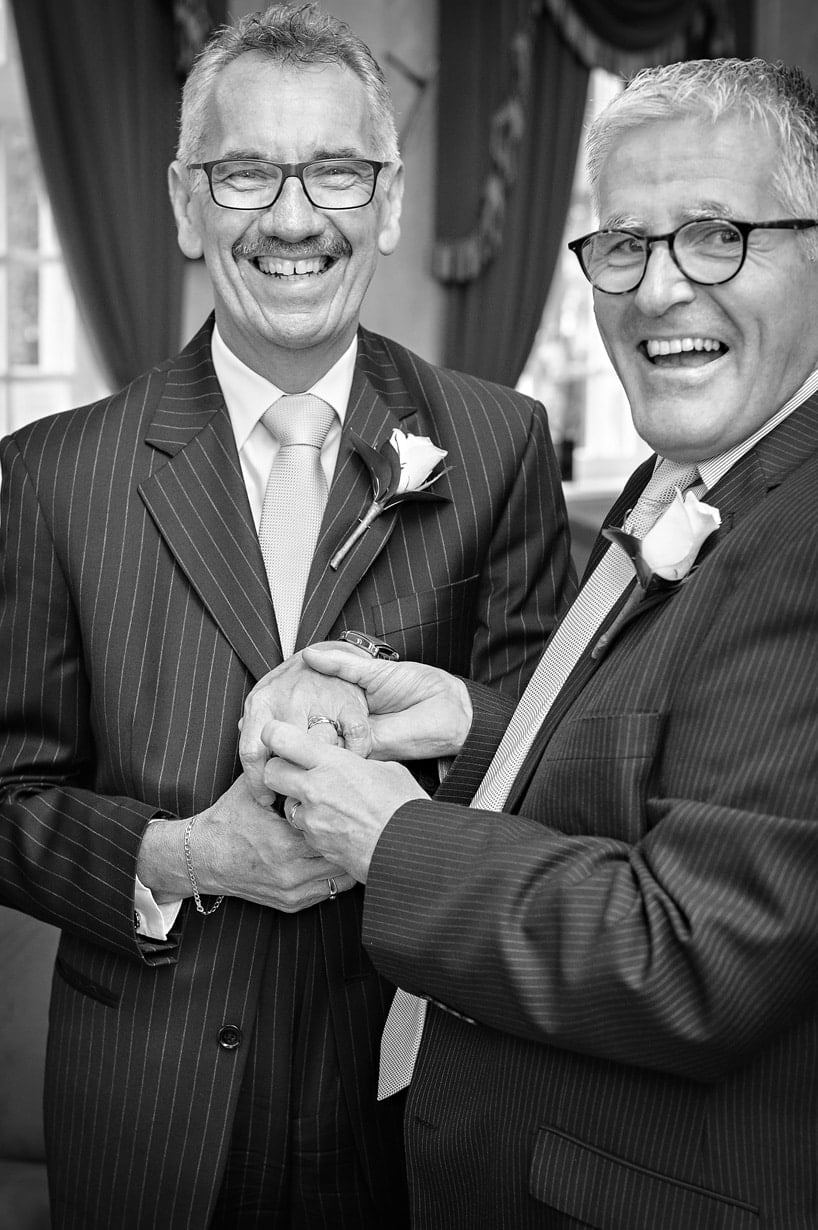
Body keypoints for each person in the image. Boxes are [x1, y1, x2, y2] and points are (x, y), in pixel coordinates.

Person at [0, 5, 575, 1228]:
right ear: (184, 200)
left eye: (335, 171)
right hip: (146, 1097)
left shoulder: (497, 439)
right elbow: (7, 795)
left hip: (418, 1089)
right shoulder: (55, 474)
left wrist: (416, 750)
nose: (295, 216)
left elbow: (546, 755)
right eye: (247, 171)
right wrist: (188, 855)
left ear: (391, 199)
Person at [246, 57, 818, 1227]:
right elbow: (685, 765)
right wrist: (472, 723)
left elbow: (692, 960)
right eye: (621, 243)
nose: (658, 289)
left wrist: (390, 835)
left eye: (715, 234)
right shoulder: (703, 482)